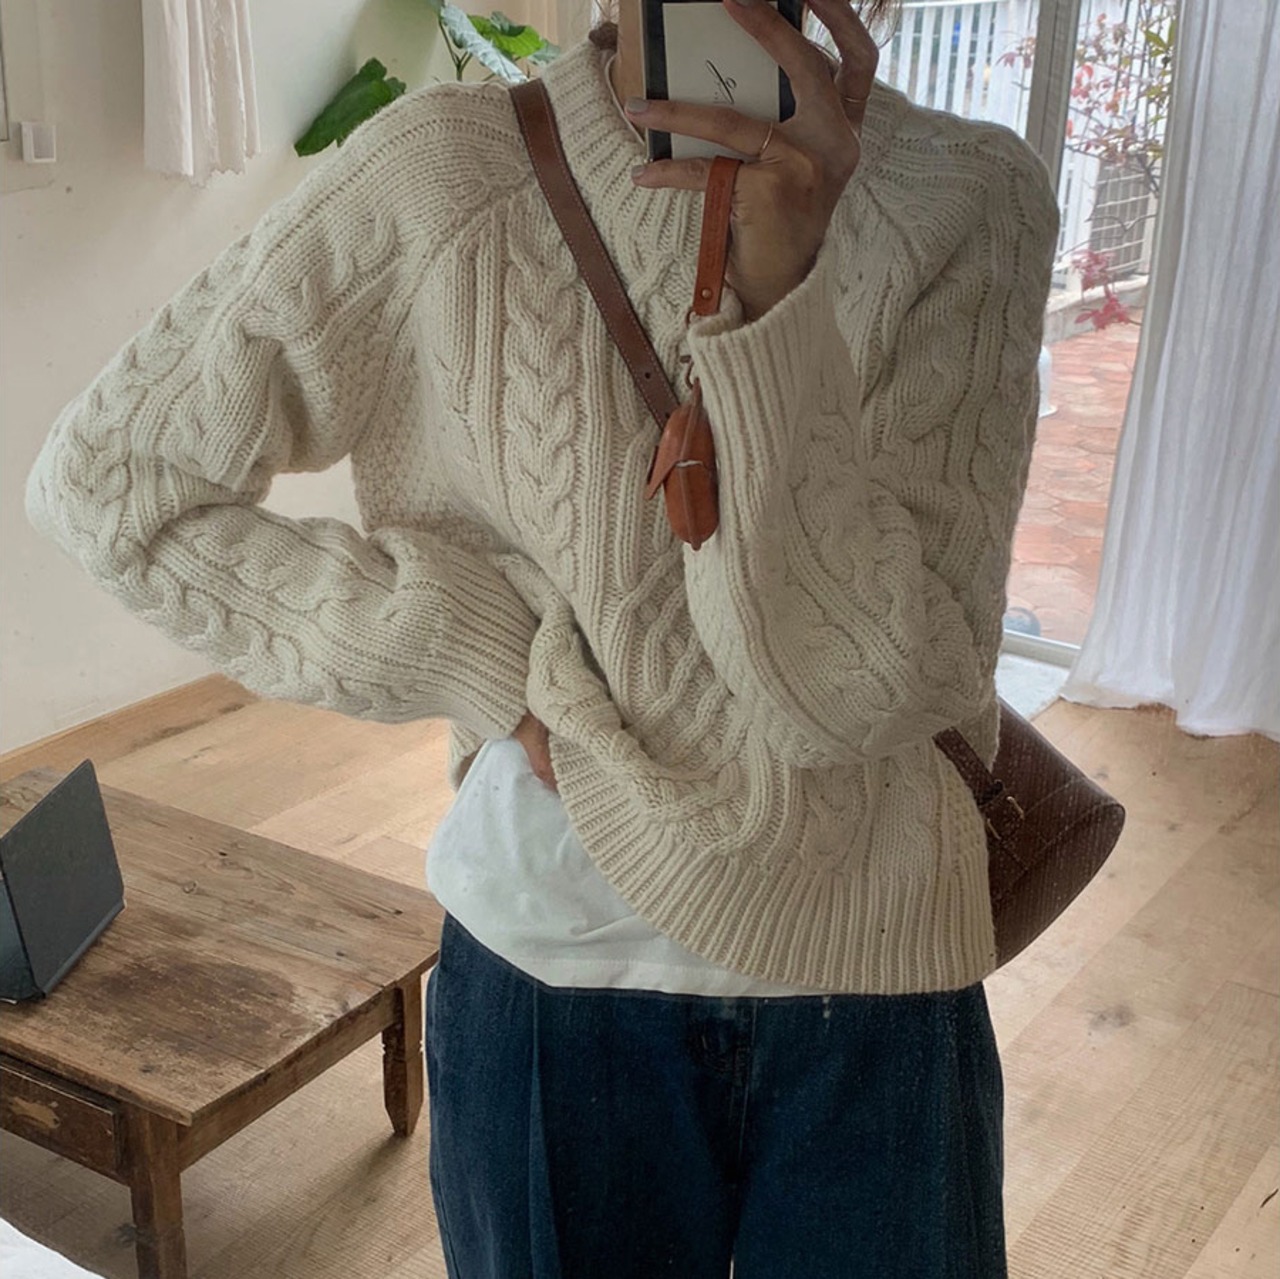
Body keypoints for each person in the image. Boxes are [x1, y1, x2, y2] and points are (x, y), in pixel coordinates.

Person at [25, 0, 1058, 1272]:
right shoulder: (438, 173)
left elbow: (863, 687)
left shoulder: (969, 197)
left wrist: (773, 303)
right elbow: (114, 480)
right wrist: (474, 653)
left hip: (878, 983)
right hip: (555, 970)